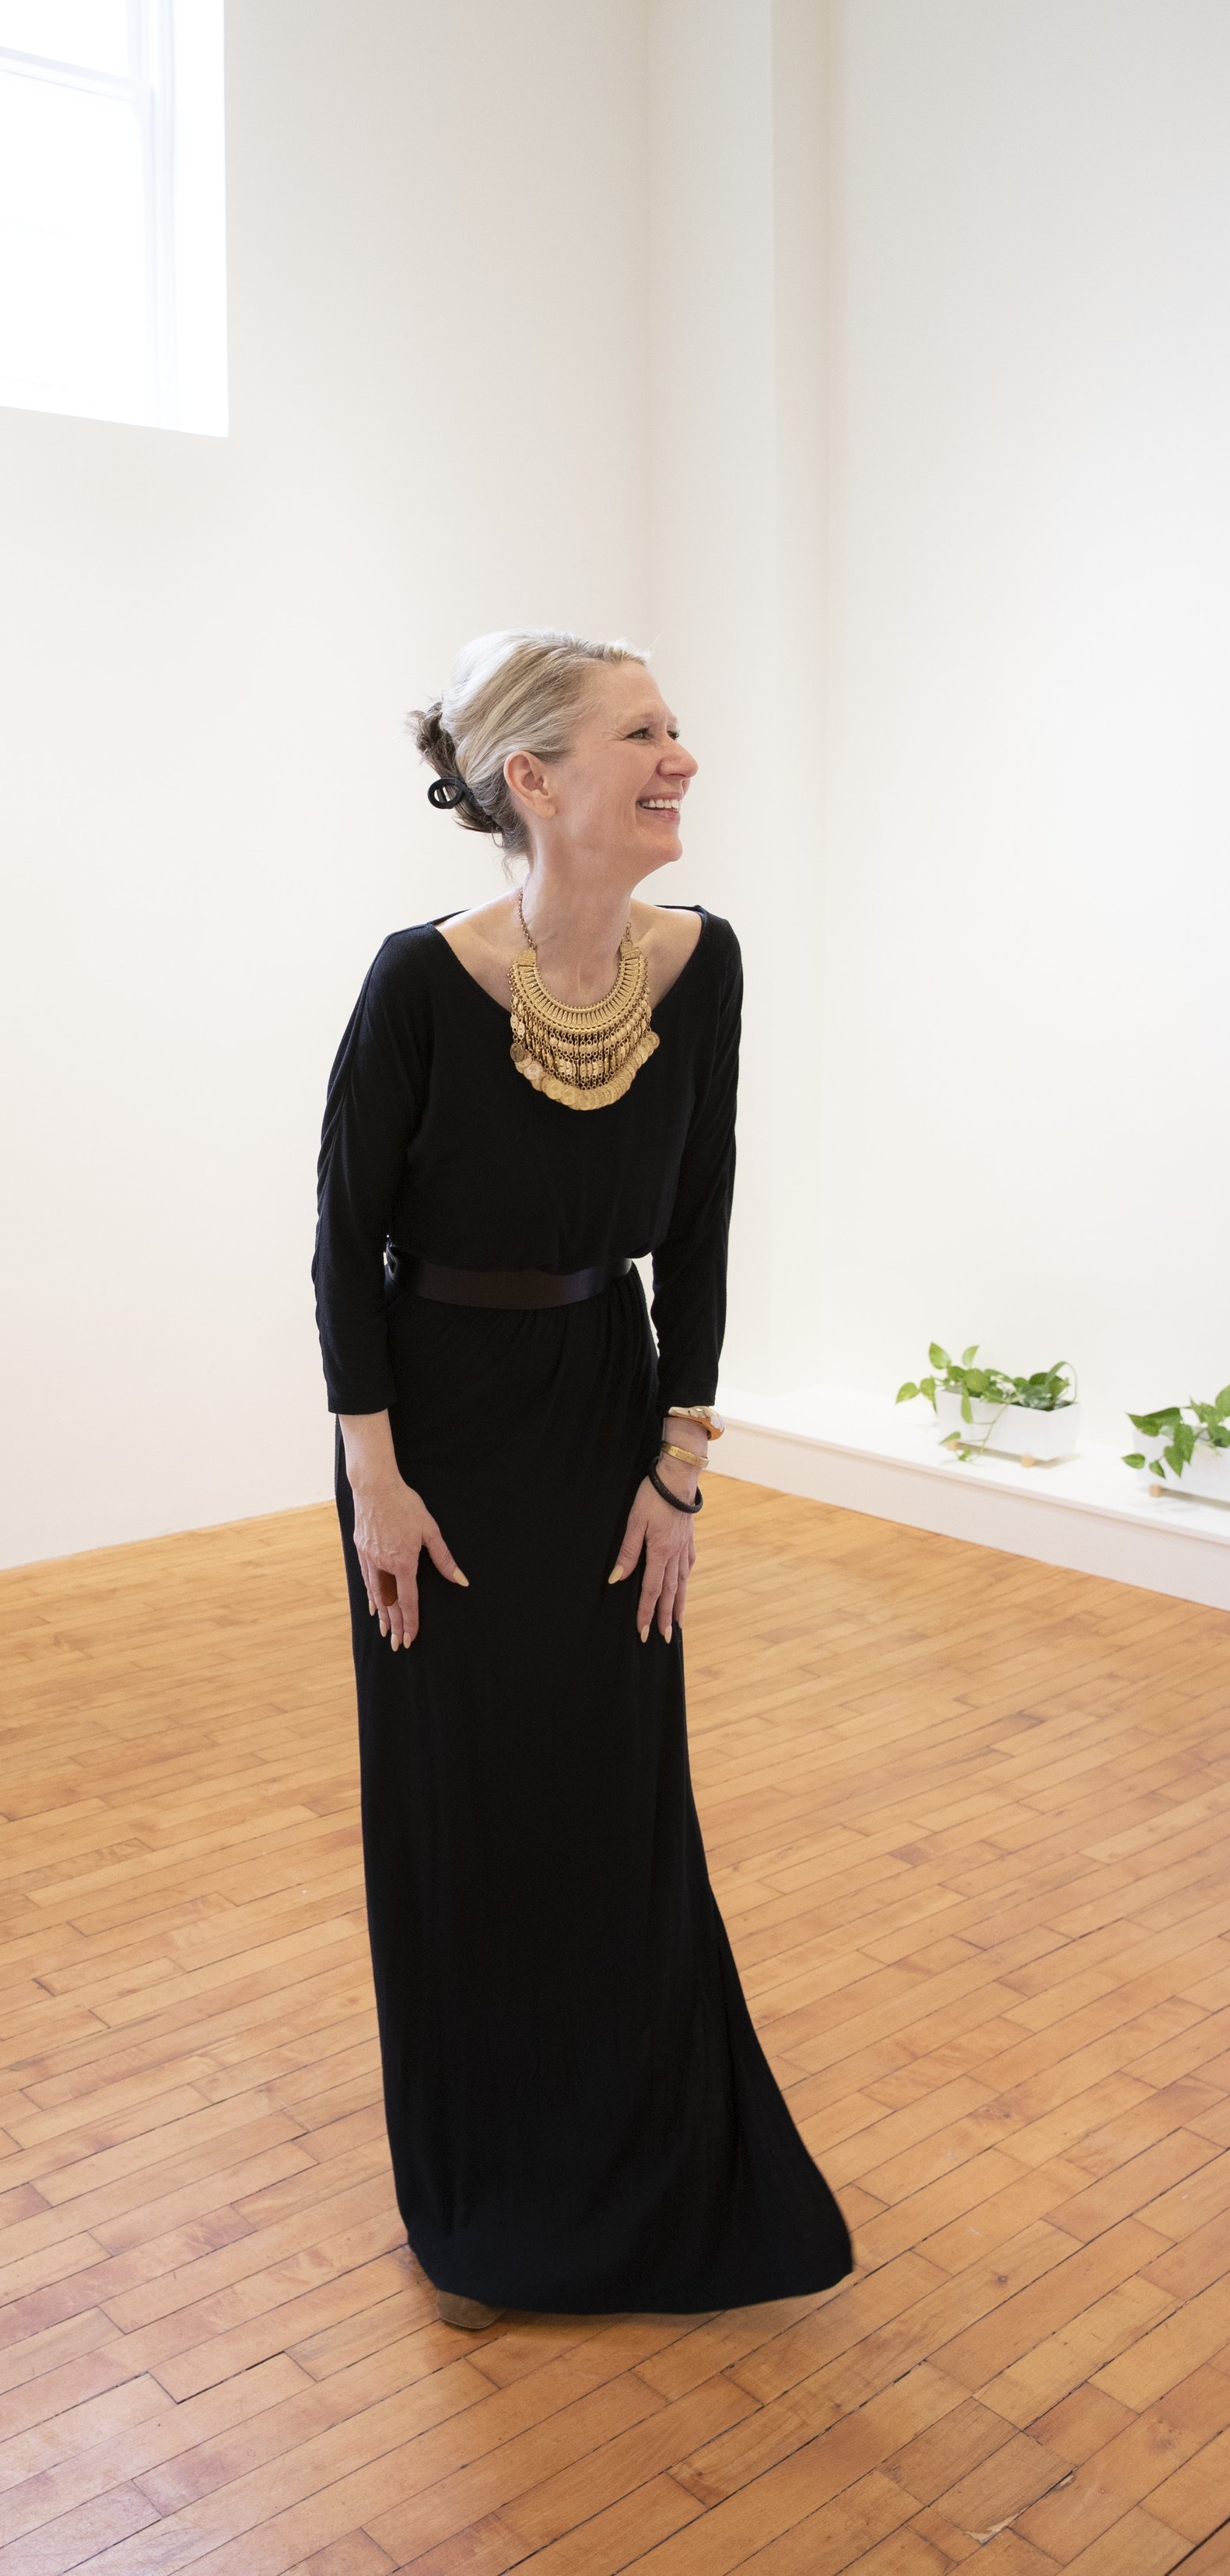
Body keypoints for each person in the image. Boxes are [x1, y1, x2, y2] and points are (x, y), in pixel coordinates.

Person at [314, 628, 852, 2326]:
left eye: (678, 728)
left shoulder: (704, 968)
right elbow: (343, 1253)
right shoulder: (417, 982)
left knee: (615, 1804)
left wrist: (677, 1469)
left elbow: (692, 1233)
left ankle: (643, 2162)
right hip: (442, 1446)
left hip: (602, 1412)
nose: (678, 756)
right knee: (467, 1807)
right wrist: (373, 1490)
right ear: (532, 780)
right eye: (641, 733)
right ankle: (493, 2181)